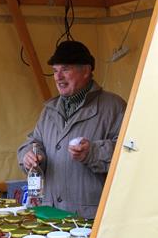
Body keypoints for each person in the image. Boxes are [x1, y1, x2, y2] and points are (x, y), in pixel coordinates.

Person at [17, 40, 126, 219]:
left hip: (91, 217)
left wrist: (93, 152)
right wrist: (30, 156)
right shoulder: (49, 109)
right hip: (50, 214)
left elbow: (130, 154)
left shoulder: (114, 107)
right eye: (55, 71)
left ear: (86, 70)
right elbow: (34, 141)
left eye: (65, 69)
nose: (58, 77)